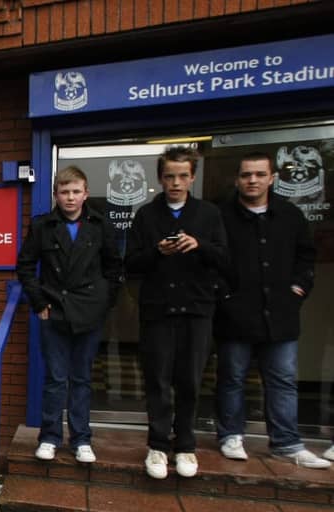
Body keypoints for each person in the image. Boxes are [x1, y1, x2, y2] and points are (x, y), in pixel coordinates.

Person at [214, 152, 330, 469]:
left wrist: (297, 290)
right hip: (234, 316)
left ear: (272, 177)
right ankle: (230, 436)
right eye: (246, 174)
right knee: (231, 378)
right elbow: (212, 262)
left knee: (282, 381)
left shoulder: (290, 215)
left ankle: (287, 443)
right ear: (237, 179)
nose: (252, 180)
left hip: (280, 315)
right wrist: (224, 297)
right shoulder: (221, 217)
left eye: (259, 174)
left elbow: (306, 258)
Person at [125, 146, 228, 479]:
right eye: (169, 176)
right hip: (158, 311)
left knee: (190, 381)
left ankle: (185, 446)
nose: (176, 182)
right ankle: (157, 446)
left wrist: (199, 245)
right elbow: (131, 264)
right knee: (157, 380)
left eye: (183, 175)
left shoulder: (209, 214)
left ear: (193, 177)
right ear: (160, 178)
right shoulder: (146, 215)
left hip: (197, 309)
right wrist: (157, 251)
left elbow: (225, 260)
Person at [16, 166, 123, 464]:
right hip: (55, 311)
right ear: (56, 195)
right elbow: (25, 266)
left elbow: (114, 268)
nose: (70, 198)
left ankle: (81, 439)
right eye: (64, 192)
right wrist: (39, 304)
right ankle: (50, 437)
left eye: (76, 191)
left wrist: (104, 303)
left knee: (82, 378)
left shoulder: (100, 225)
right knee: (55, 378)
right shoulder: (42, 226)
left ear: (86, 193)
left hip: (90, 312)